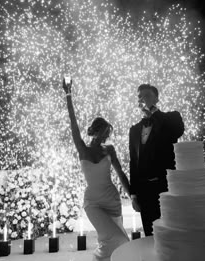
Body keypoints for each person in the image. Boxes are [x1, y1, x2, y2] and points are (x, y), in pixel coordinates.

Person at [62, 78, 130, 261]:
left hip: (112, 201)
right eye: (103, 133)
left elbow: (121, 174)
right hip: (92, 203)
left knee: (116, 246)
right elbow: (73, 124)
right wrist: (68, 95)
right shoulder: (82, 149)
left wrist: (133, 196)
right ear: (95, 131)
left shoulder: (110, 150)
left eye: (108, 134)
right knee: (119, 239)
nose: (105, 137)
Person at [129, 84, 184, 236]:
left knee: (171, 233)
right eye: (139, 96)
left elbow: (177, 131)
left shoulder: (171, 118)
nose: (142, 99)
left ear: (157, 99)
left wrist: (153, 111)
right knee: (150, 235)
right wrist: (133, 194)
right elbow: (133, 162)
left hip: (166, 187)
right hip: (144, 191)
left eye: (146, 95)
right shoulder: (134, 130)